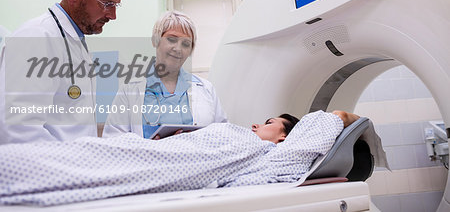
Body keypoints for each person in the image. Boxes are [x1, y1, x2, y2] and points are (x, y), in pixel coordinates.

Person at [0, 110, 359, 206]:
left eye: (268, 122)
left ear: (284, 136)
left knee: (73, 159)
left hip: (163, 162)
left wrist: (345, 117)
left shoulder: (268, 153)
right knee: (86, 150)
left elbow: (332, 118)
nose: (255, 123)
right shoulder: (243, 139)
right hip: (152, 149)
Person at [0, 0, 122, 144]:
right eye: (107, 4)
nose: (113, 16)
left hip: (74, 164)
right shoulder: (37, 37)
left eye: (116, 5)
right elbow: (19, 130)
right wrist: (68, 166)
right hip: (48, 168)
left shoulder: (74, 40)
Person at [102, 11, 227, 139]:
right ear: (155, 41)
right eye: (172, 40)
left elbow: (223, 135)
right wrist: (149, 146)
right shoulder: (130, 90)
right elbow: (113, 139)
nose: (178, 49)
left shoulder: (206, 89)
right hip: (148, 158)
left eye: (186, 44)